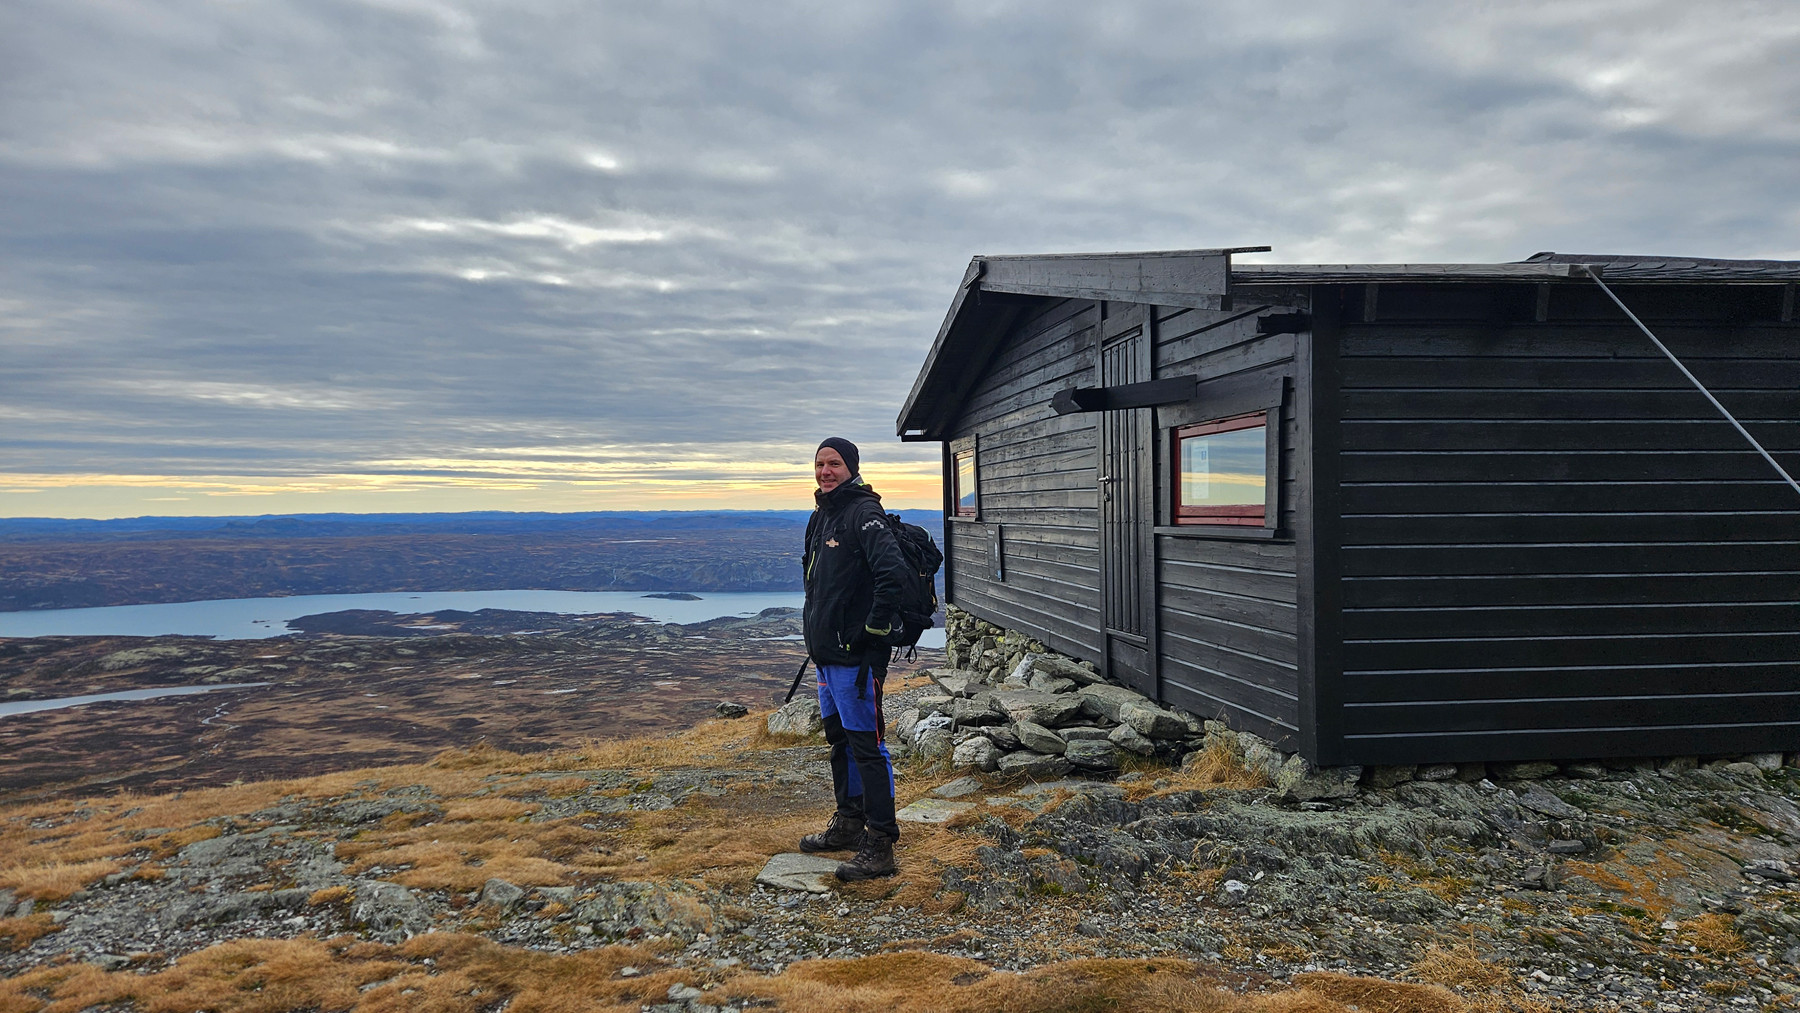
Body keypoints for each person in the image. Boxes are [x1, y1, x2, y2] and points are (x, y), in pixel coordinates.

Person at [799, 436, 910, 880]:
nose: (825, 471)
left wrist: (872, 632)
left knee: (867, 746)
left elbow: (892, 574)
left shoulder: (864, 513)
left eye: (835, 464)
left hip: (856, 660)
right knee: (840, 741)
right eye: (820, 464)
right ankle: (848, 823)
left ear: (852, 468)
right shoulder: (820, 516)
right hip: (827, 656)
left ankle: (881, 844)